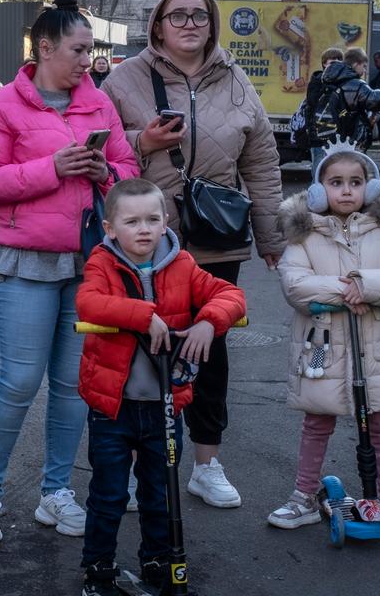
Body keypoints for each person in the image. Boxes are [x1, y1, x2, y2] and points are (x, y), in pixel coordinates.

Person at [0, 0, 140, 544]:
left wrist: (100, 173)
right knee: (17, 381)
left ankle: (55, 492)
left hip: (89, 264)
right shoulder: (3, 104)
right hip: (25, 264)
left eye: (91, 51)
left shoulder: (99, 102)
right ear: (45, 47)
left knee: (71, 387)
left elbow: (127, 168)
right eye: (80, 49)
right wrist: (53, 168)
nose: (89, 60)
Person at [102, 0, 286, 509]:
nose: (188, 24)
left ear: (212, 25)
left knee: (209, 355)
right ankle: (140, 469)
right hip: (142, 244)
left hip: (215, 241)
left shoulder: (234, 80)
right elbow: (102, 155)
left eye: (199, 16)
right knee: (139, 352)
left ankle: (207, 464)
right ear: (158, 25)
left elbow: (262, 164)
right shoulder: (123, 80)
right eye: (176, 15)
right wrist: (144, 143)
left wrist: (270, 233)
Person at [75, 178, 246, 595]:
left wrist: (209, 321)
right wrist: (141, 315)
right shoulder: (103, 261)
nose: (144, 229)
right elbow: (88, 303)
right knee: (110, 493)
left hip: (164, 405)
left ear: (166, 220)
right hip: (113, 406)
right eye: (131, 221)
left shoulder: (182, 263)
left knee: (160, 490)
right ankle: (98, 569)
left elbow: (230, 294)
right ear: (110, 227)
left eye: (153, 219)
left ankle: (156, 558)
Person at [267, 145, 380, 537]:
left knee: (379, 423)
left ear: (369, 188)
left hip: (377, 347)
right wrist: (350, 291)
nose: (345, 191)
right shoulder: (304, 237)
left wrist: (367, 284)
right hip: (321, 344)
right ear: (319, 190)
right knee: (317, 419)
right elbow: (296, 285)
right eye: (335, 182)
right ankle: (303, 496)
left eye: (355, 183)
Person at [329, 48, 380, 149]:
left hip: (330, 133)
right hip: (349, 135)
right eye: (364, 66)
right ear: (356, 64)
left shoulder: (332, 78)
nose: (365, 70)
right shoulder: (356, 83)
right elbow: (372, 99)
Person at [297, 48, 345, 171]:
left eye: (339, 59)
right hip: (319, 134)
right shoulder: (317, 80)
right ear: (324, 63)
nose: (336, 62)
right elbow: (312, 103)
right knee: (319, 171)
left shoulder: (344, 81)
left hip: (338, 134)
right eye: (332, 60)